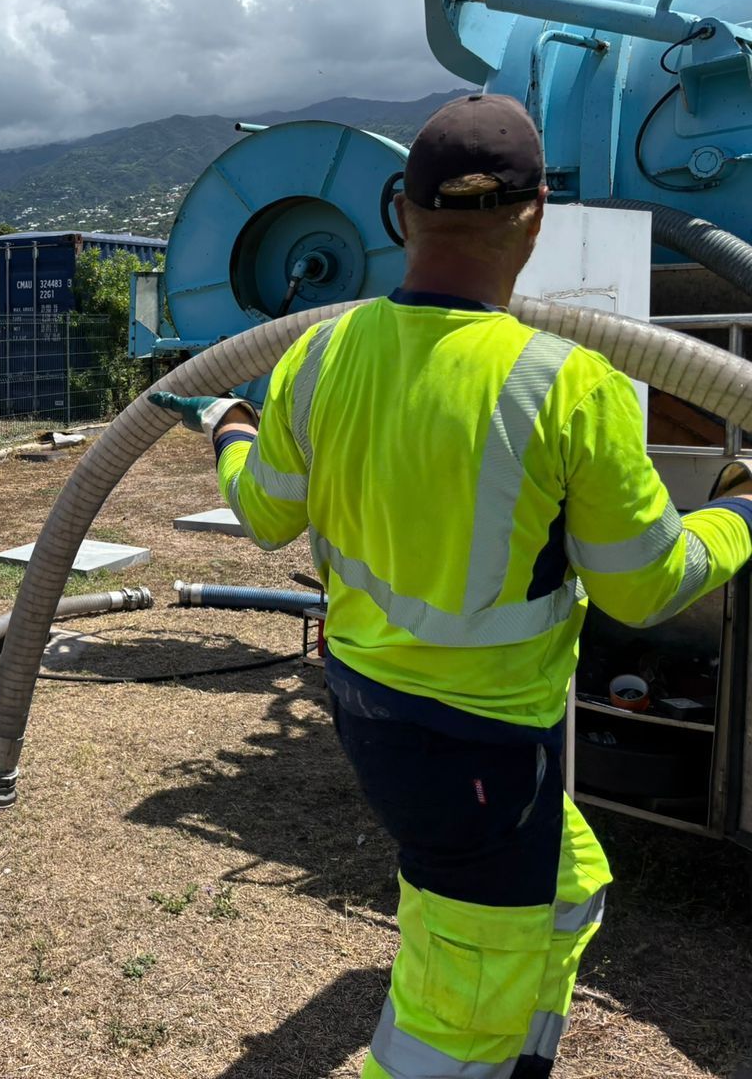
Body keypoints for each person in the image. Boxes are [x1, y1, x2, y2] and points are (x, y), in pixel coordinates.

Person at [152, 93, 752, 1079]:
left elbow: (262, 513)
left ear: (400, 213)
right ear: (536, 218)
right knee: (446, 1025)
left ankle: (518, 1056)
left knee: (569, 891)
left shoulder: (315, 357)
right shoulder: (568, 384)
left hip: (373, 710)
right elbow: (646, 589)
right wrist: (736, 509)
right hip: (476, 747)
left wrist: (227, 423)